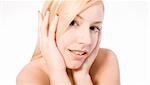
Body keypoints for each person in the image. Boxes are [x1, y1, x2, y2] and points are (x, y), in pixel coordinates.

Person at [16, 0, 120, 85]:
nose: (87, 40)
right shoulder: (29, 77)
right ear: (48, 25)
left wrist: (82, 76)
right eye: (73, 23)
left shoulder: (106, 60)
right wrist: (57, 73)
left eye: (93, 28)